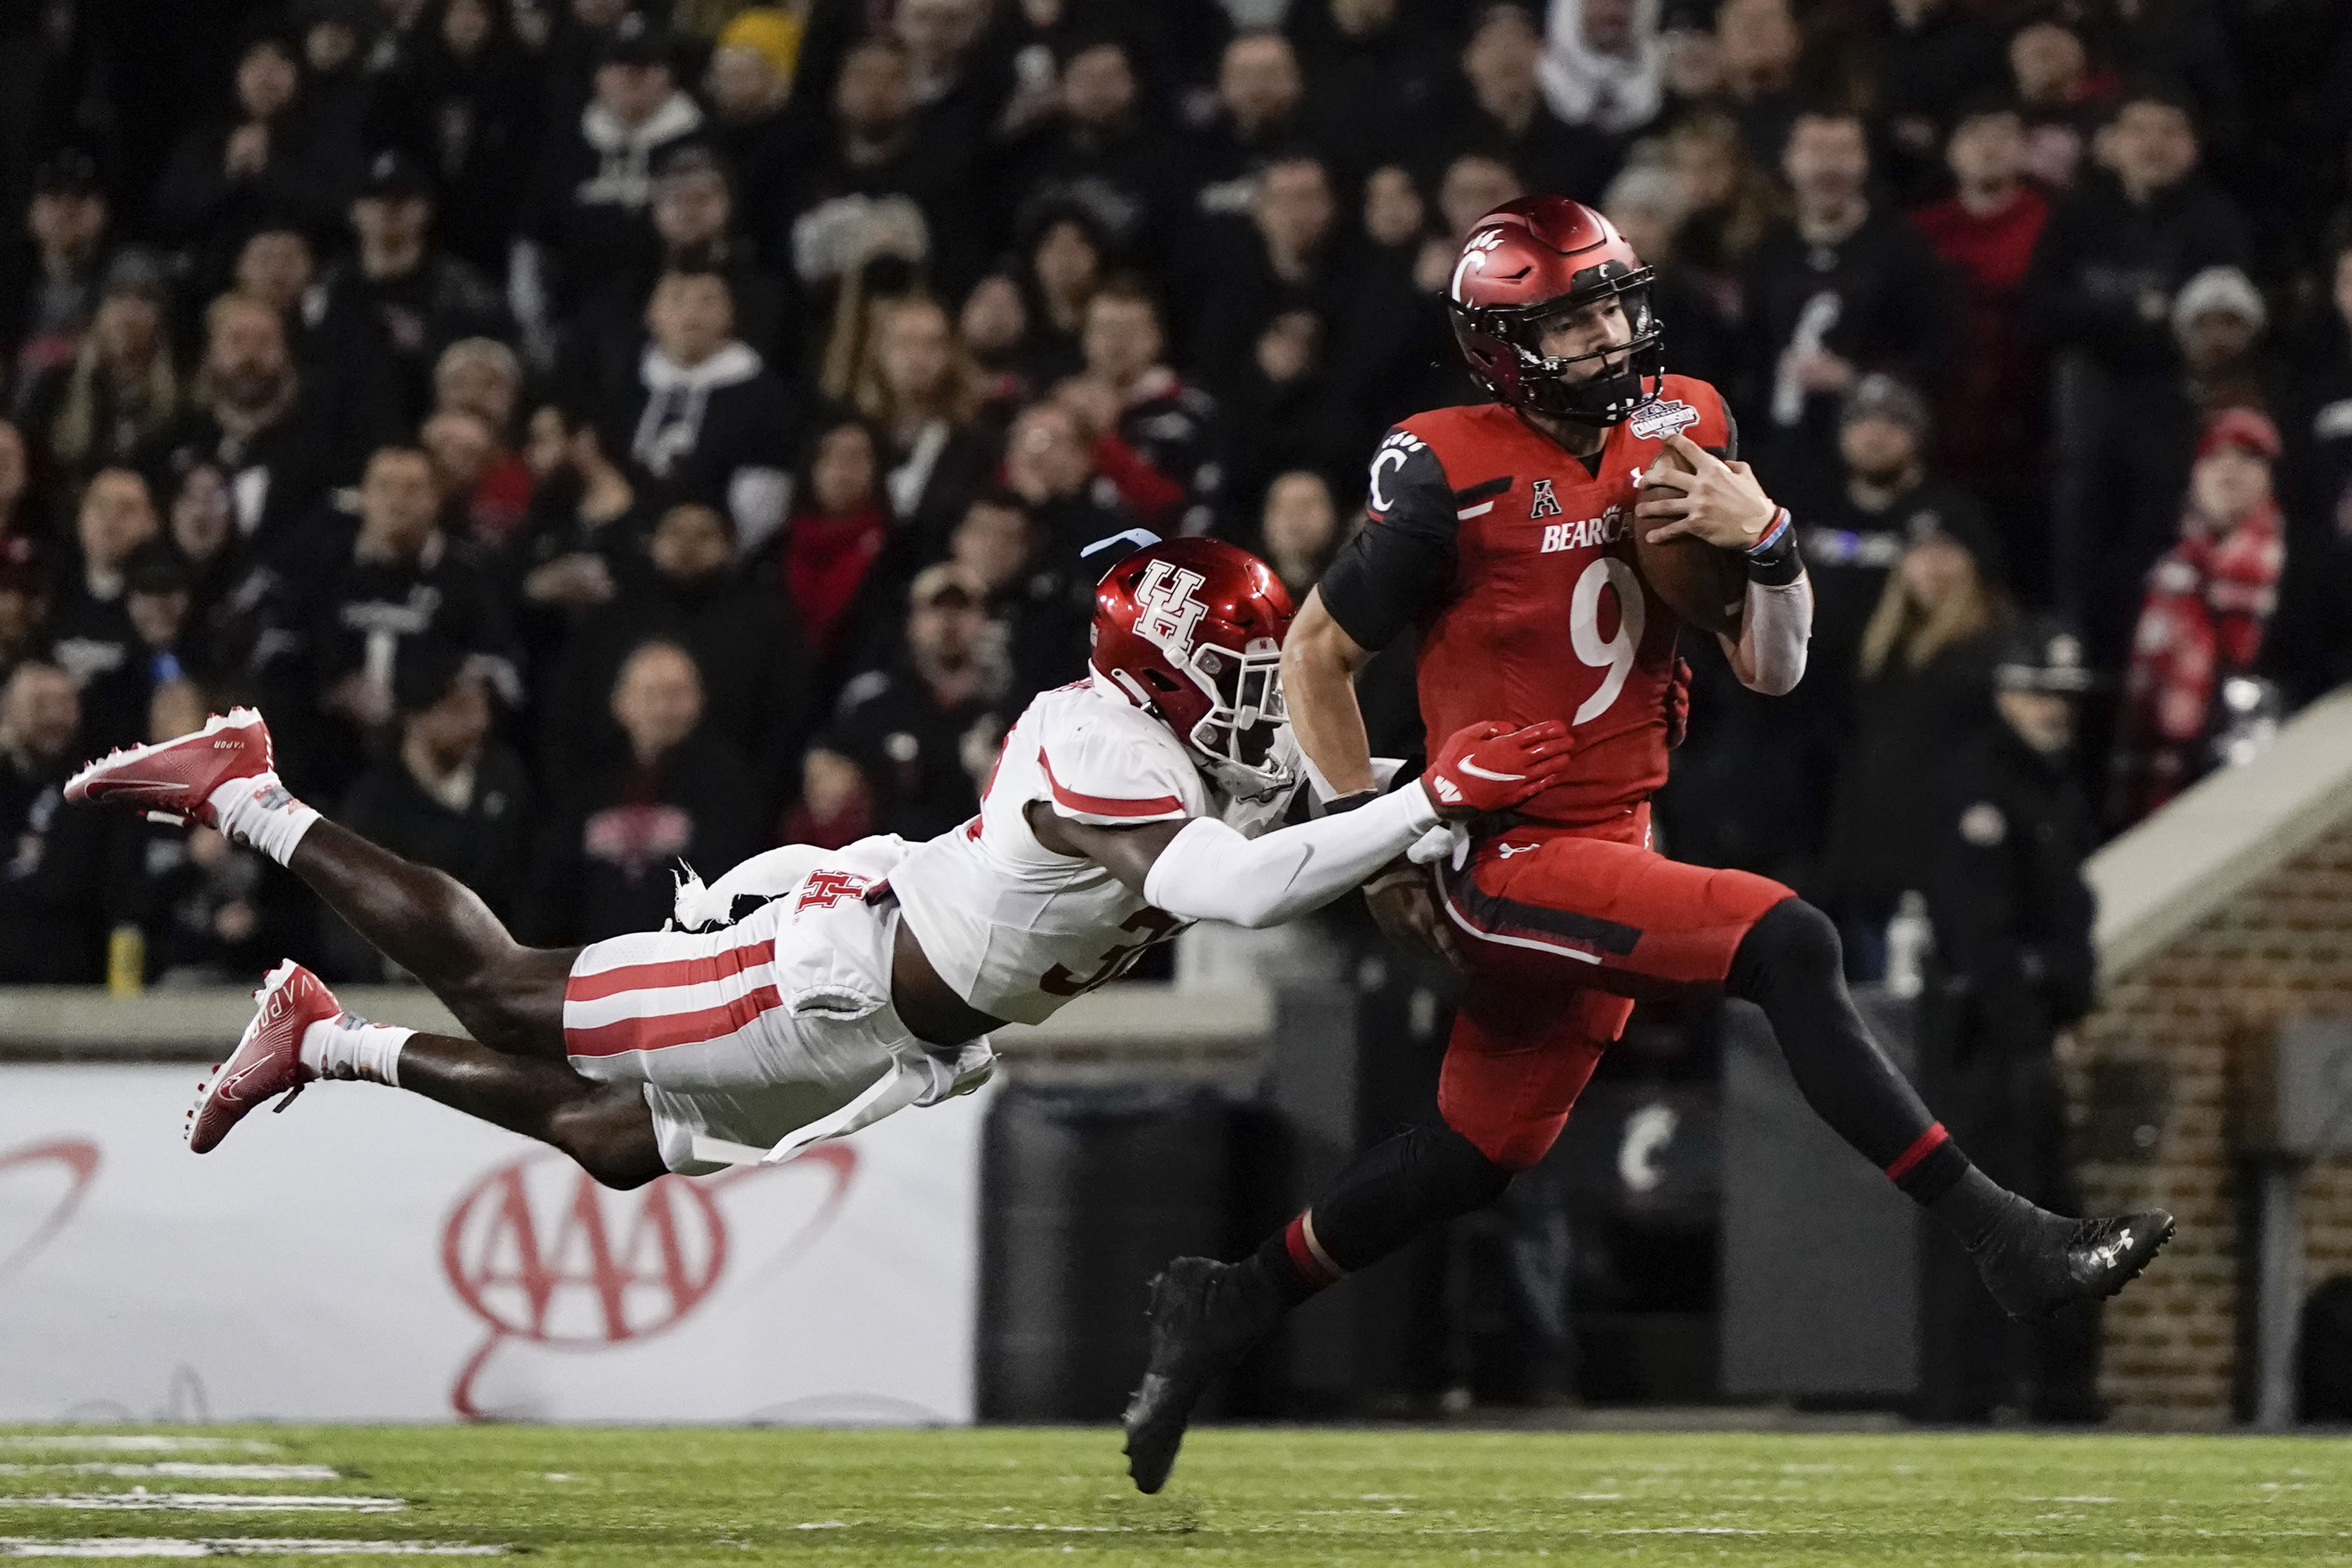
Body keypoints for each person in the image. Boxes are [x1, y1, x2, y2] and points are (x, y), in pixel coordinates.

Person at [1120, 198, 2172, 1495]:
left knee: (1469, 1156)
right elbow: (1319, 656)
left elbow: (1772, 673)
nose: (1610, 333)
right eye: (1571, 318)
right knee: (1791, 941)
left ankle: (1228, 1297)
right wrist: (1373, 841)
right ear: (1501, 342)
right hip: (1500, 849)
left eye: (1615, 302)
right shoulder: (1445, 464)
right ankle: (2006, 1240)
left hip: (1616, 831)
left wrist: (1771, 545)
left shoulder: (1690, 425)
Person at [65, 539, 1570, 1229]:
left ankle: (317, 1035)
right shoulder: (1101, 741)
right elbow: (1242, 891)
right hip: (835, 974)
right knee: (513, 989)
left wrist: (1430, 798)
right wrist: (1430, 797)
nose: (1258, 701)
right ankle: (248, 786)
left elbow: (1323, 800)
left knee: (616, 1143)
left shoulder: (1202, 745)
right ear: (1164, 672)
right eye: (1232, 673)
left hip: (905, 1032)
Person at [1915, 614, 2104, 1424]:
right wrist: (2027, 1027)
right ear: (2002, 692)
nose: (2052, 708)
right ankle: (1964, 1393)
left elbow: (2065, 923)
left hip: (2030, 1033)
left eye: (2062, 695)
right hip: (1982, 1037)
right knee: (1984, 1223)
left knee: (2053, 1215)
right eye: (2037, 692)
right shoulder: (1977, 782)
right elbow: (1978, 932)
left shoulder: (2052, 784)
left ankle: (2054, 1390)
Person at [2108, 407, 2287, 827]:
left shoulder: (2298, 570)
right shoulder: (2164, 575)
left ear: (2271, 477)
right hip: (2174, 775)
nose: (2229, 470)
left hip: (2262, 776)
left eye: (2248, 458)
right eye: (2215, 458)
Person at [333, 643, 533, 974]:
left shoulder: (505, 780)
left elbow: (530, 890)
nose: (479, 722)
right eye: (459, 709)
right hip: (404, 987)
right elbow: (351, 907)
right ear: (416, 715)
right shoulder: (374, 801)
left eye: (483, 707)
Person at [607, 265, 795, 554]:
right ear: (651, 313)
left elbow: (765, 496)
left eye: (708, 301)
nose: (692, 315)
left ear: (730, 315)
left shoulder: (763, 396)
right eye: (677, 299)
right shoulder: (625, 386)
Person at [813, 563, 1006, 843]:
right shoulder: (877, 701)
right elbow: (829, 769)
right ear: (912, 622)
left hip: (972, 865)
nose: (948, 622)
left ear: (986, 620)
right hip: (886, 865)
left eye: (962, 609)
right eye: (935, 609)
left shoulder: (1009, 708)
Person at [0, 660, 107, 982]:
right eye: (39, 704)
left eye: (64, 703)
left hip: (68, 981)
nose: (54, 716)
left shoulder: (96, 788)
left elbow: (71, 884)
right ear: (8, 712)